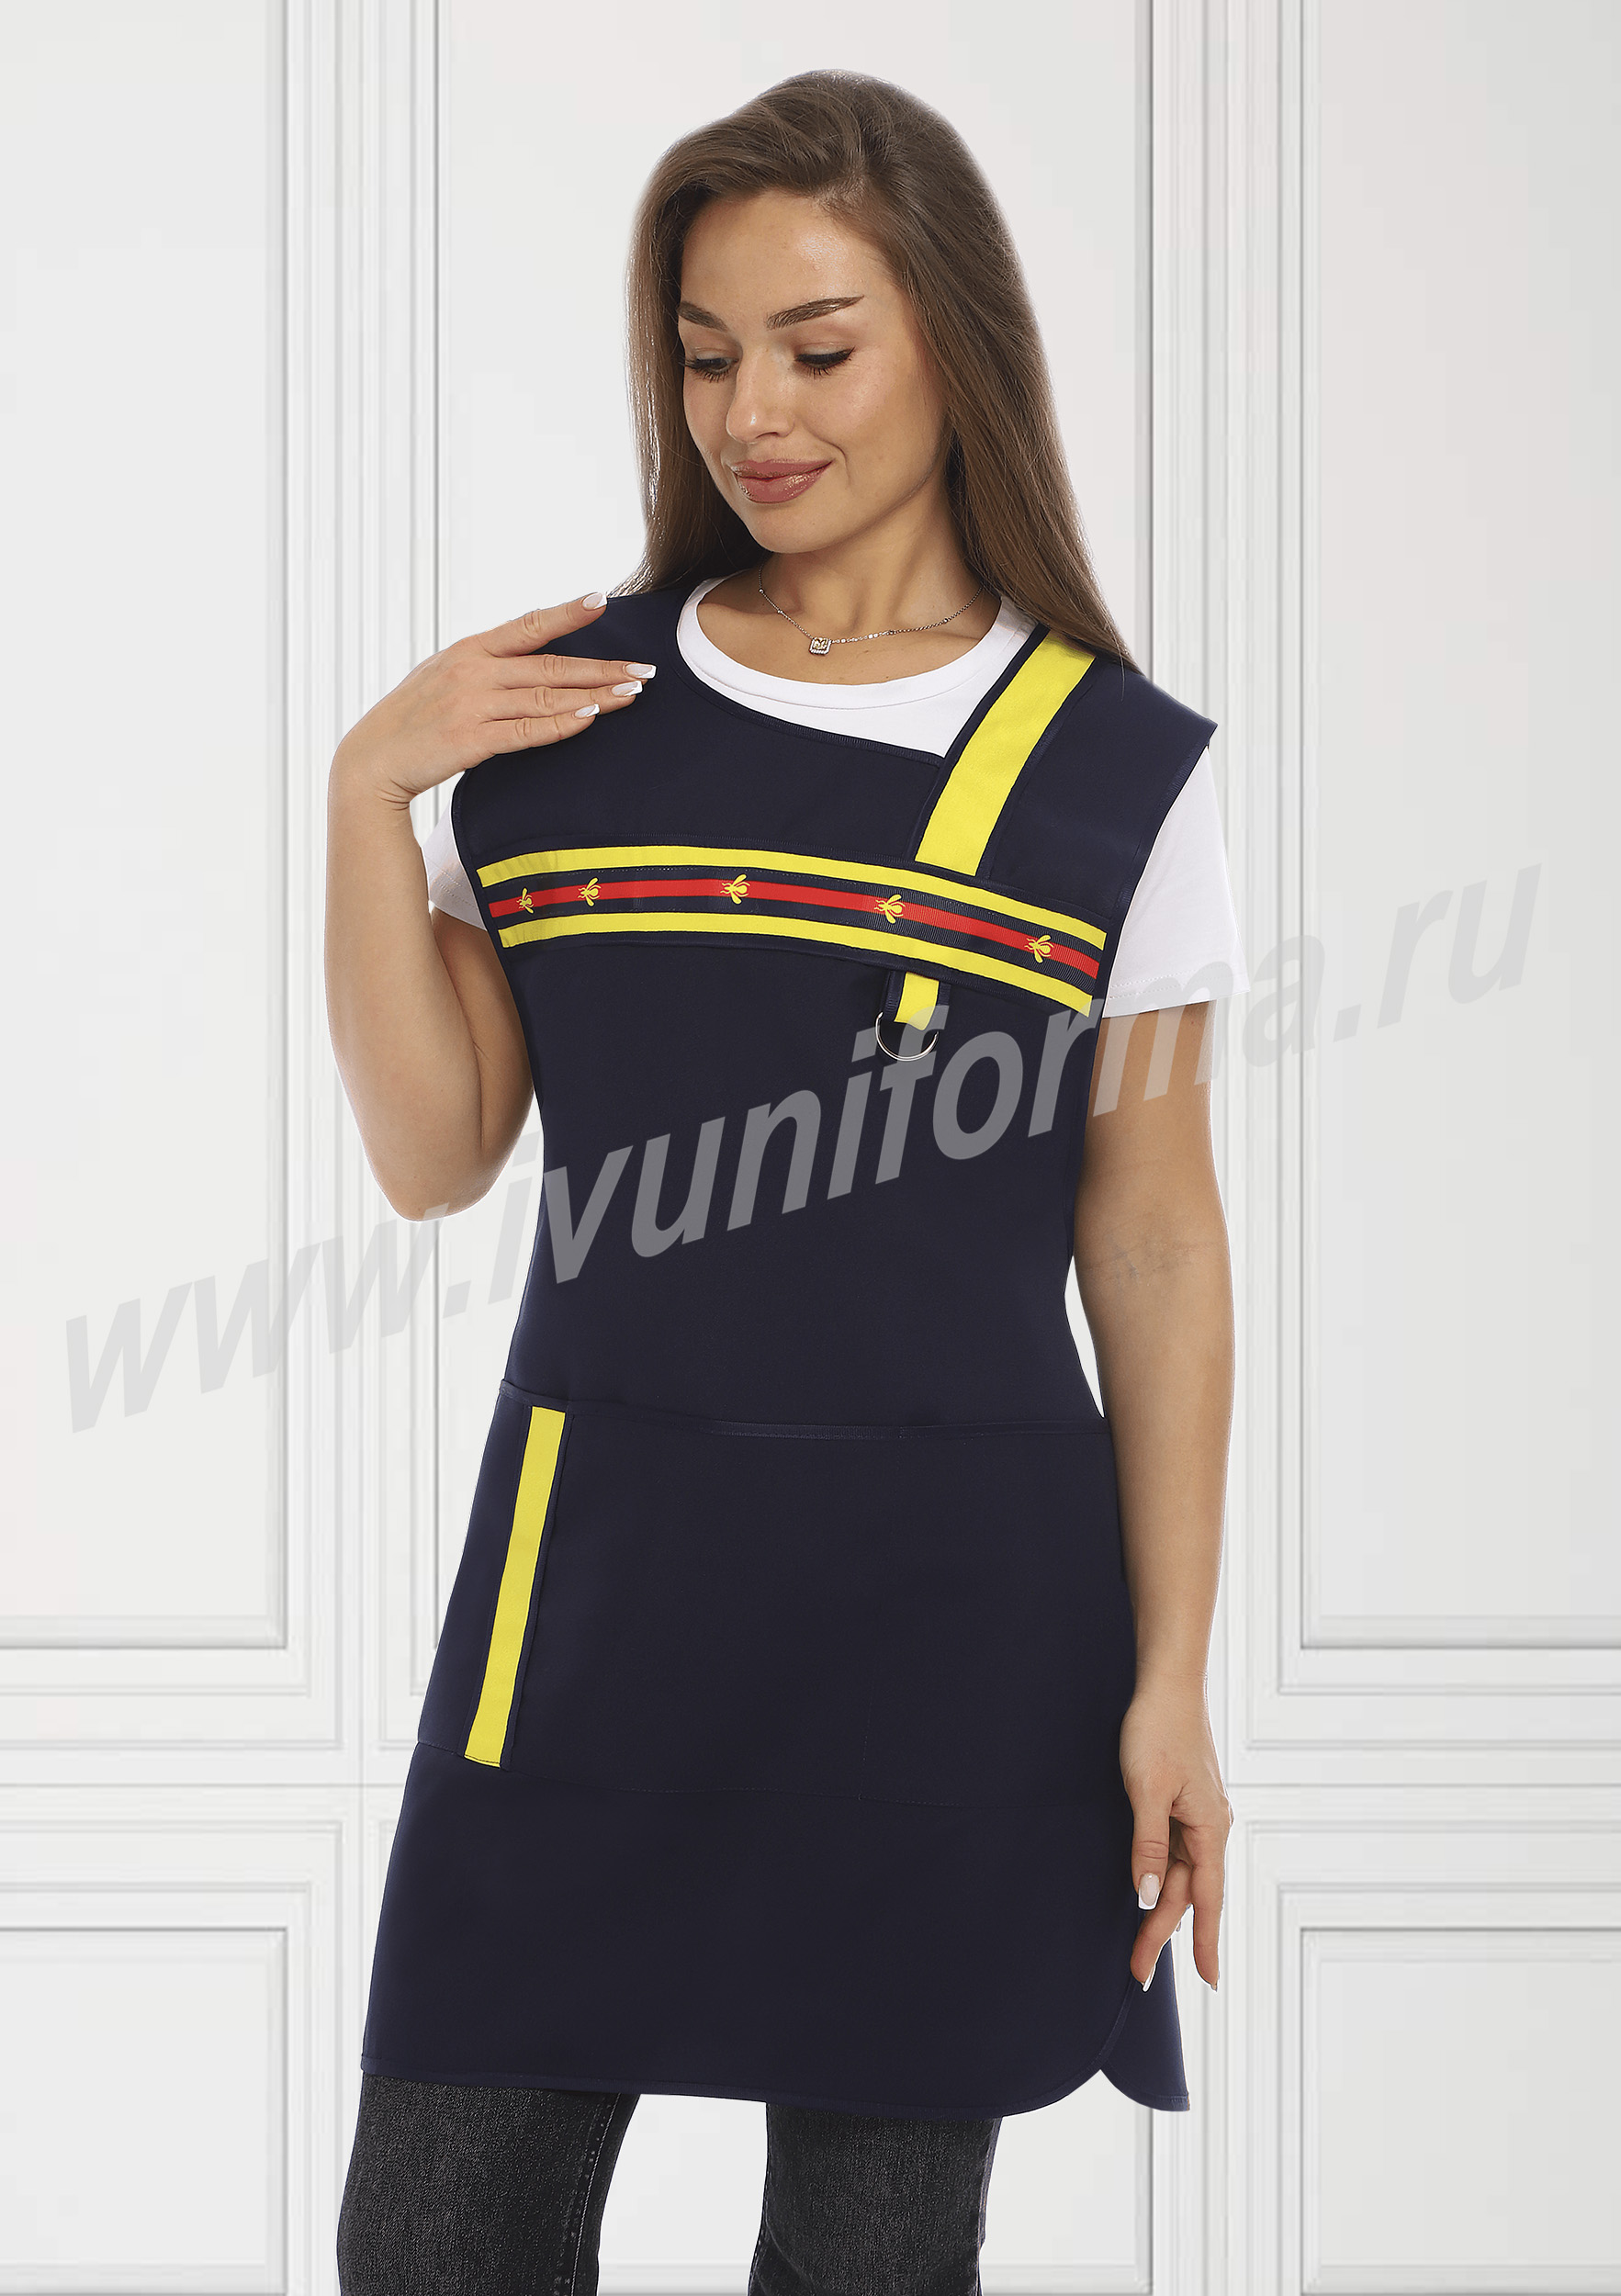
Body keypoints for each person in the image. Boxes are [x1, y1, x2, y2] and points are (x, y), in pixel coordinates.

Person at [327, 68, 1242, 2296]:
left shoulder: (1114, 773)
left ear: (949, 339)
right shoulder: (565, 720)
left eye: (817, 348)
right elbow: (436, 1157)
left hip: (956, 1627)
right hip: (590, 1602)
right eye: (706, 351)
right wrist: (364, 793)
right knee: (435, 2237)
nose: (753, 412)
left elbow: (1149, 1236)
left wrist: (1172, 1672)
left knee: (867, 2261)